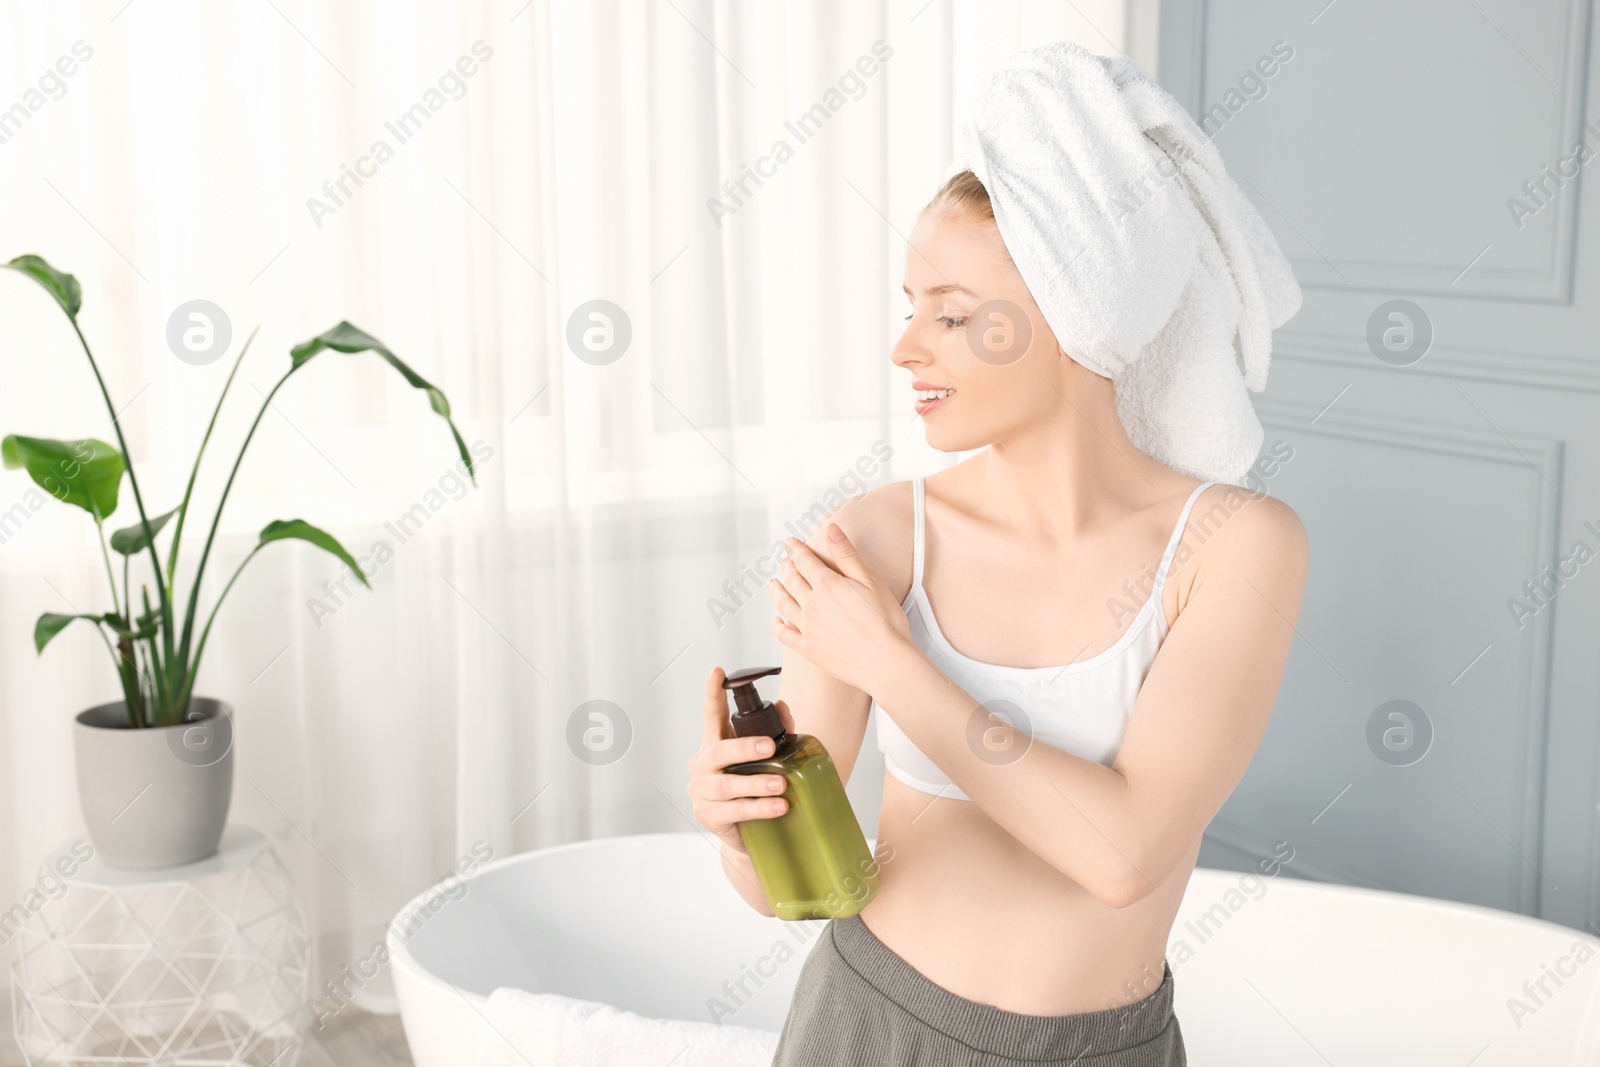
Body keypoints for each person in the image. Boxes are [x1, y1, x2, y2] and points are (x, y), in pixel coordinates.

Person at [688, 43, 1307, 1067]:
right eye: (908, 305)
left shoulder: (1233, 544)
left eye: (952, 313)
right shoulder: (876, 540)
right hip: (868, 1024)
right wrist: (732, 826)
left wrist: (893, 664)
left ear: (1074, 317)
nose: (905, 347)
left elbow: (1124, 852)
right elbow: (785, 889)